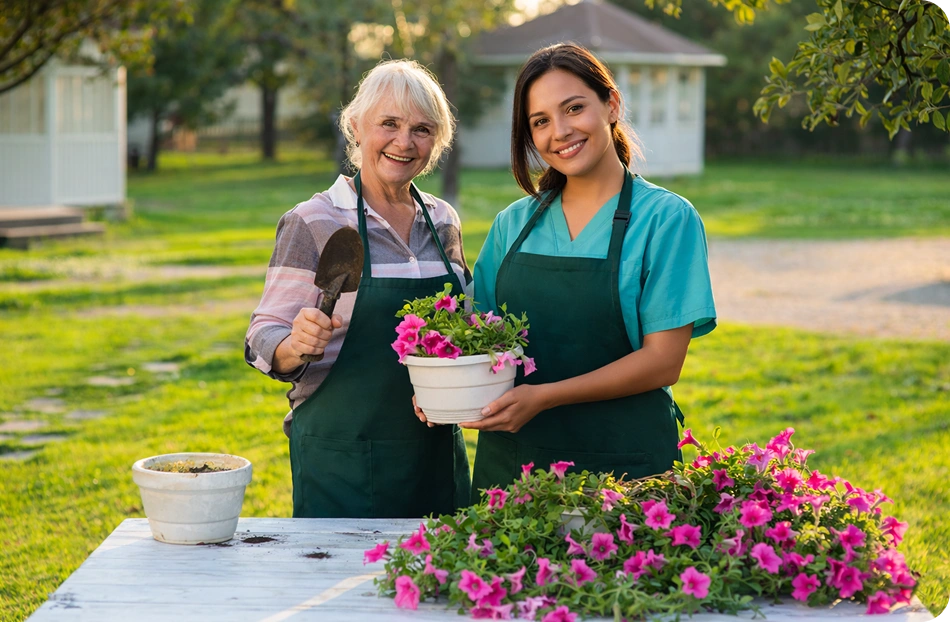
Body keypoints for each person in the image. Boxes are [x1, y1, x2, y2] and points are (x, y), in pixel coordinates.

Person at [464, 43, 717, 496]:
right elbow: (476, 338)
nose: (559, 132)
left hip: (626, 473)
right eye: (540, 122)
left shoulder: (665, 219)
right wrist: (438, 392)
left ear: (611, 105)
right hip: (512, 468)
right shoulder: (513, 224)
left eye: (573, 108)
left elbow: (663, 362)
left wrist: (544, 397)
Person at [245, 59, 471, 518]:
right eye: (389, 123)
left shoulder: (443, 220)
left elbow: (463, 331)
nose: (404, 142)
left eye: (422, 129)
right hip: (342, 461)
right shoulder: (313, 221)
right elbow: (261, 336)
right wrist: (294, 345)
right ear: (355, 126)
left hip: (435, 455)